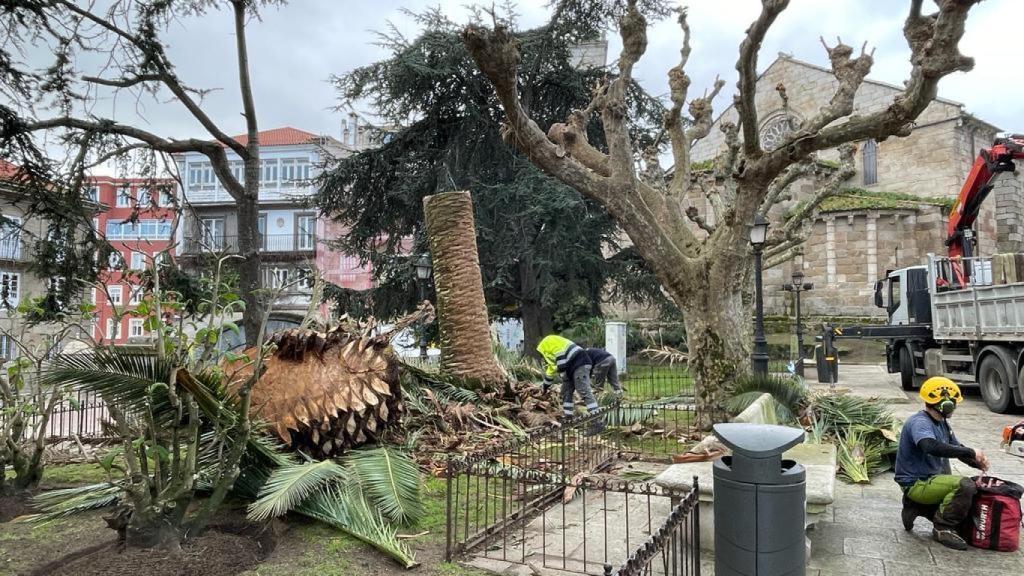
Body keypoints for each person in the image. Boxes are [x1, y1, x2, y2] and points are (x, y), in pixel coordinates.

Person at [894, 376, 989, 550]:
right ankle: (942, 528)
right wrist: (970, 451)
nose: (956, 406)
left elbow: (955, 448)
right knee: (965, 486)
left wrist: (975, 461)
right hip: (917, 483)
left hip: (931, 480)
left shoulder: (942, 423)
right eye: (954, 402)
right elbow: (929, 446)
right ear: (944, 404)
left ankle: (915, 506)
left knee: (966, 510)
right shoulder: (920, 422)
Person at [536, 335, 600, 420]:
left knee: (583, 390)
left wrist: (562, 371)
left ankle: (597, 420)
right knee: (565, 392)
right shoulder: (549, 358)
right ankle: (568, 417)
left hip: (579, 361)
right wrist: (544, 388)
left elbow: (559, 353)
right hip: (570, 367)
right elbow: (549, 374)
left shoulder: (547, 342)